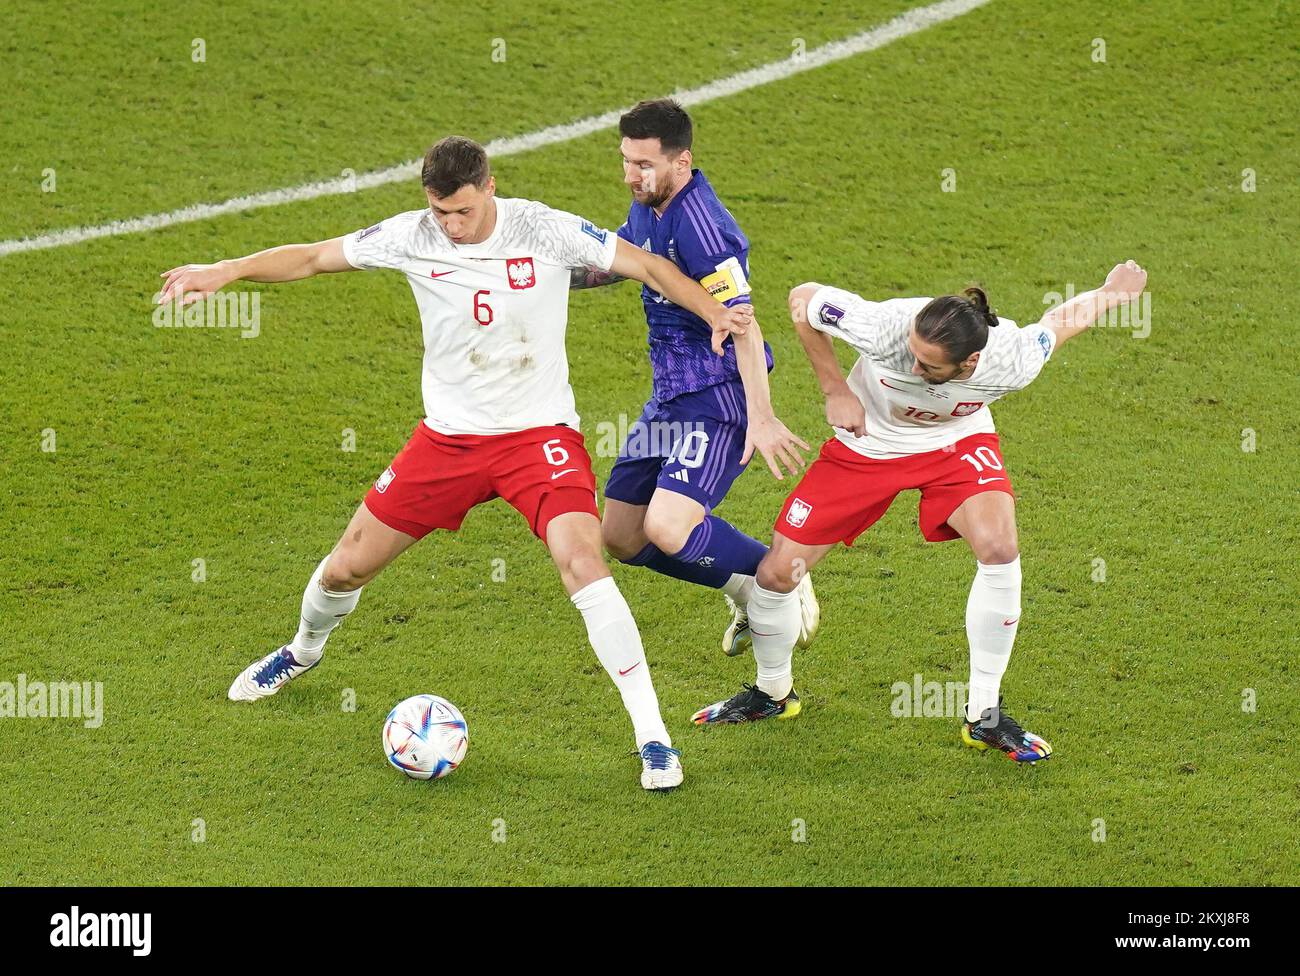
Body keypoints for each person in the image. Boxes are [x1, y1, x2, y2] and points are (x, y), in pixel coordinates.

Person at [156, 135, 754, 791]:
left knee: (583, 559)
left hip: (538, 439)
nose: (451, 227)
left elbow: (646, 265)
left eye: (462, 212)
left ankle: (653, 740)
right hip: (448, 443)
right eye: (440, 213)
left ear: (490, 188)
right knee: (347, 564)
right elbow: (312, 257)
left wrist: (714, 311)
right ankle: (301, 652)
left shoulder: (544, 228)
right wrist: (226, 270)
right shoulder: (412, 235)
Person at [691, 260, 1149, 764]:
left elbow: (1060, 323)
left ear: (970, 364)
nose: (911, 369)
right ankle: (772, 694)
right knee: (778, 574)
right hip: (867, 447)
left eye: (928, 367)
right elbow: (803, 298)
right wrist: (834, 388)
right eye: (911, 356)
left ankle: (985, 714)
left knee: (1000, 548)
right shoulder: (885, 326)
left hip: (954, 447)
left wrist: (1109, 293)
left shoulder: (1013, 360)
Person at [571, 98, 818, 658]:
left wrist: (762, 415)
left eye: (644, 164)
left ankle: (781, 576)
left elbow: (745, 326)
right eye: (626, 161)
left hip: (719, 398)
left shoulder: (706, 231)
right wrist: (537, 278)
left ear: (681, 161)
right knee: (622, 536)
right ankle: (745, 591)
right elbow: (619, 261)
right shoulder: (650, 204)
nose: (632, 175)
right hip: (670, 397)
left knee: (668, 527)